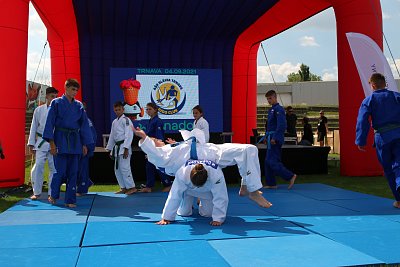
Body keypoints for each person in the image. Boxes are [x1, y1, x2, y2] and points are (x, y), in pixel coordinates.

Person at [134, 127, 272, 208]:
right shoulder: (161, 155)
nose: (160, 140)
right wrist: (144, 137)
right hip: (210, 156)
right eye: (156, 140)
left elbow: (181, 152)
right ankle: (252, 190)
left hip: (210, 148)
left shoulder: (169, 150)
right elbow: (151, 151)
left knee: (250, 149)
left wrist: (179, 143)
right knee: (249, 149)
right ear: (153, 146)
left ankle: (245, 185)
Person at [43, 79, 93, 208]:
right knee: (59, 171)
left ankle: (70, 199)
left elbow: (84, 126)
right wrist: (52, 143)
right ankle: (53, 194)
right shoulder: (56, 103)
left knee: (73, 172)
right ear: (66, 88)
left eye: (76, 90)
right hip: (60, 138)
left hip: (75, 140)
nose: (74, 92)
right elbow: (50, 123)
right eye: (72, 89)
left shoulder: (79, 105)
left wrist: (84, 144)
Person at [356, 72, 400, 209]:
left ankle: (399, 200)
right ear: (385, 84)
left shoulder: (368, 100)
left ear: (373, 85)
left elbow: (362, 121)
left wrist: (361, 140)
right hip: (399, 134)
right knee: (399, 165)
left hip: (382, 137)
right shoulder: (397, 96)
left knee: (388, 169)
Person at [157, 162, 228, 226]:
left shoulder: (216, 174)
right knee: (184, 213)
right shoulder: (183, 172)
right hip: (188, 190)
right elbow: (174, 195)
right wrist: (166, 217)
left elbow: (221, 196)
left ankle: (200, 199)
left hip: (206, 192)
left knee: (208, 214)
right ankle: (186, 199)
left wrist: (218, 219)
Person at [27, 87, 59, 200]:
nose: (54, 99)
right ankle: (37, 192)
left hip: (54, 143)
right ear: (46, 96)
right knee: (39, 165)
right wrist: (31, 143)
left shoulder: (58, 110)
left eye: (56, 97)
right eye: (52, 96)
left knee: (54, 168)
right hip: (41, 142)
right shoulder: (39, 110)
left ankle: (52, 192)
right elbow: (34, 127)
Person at [263, 90, 297, 189]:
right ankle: (271, 183)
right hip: (270, 137)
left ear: (275, 97)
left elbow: (282, 125)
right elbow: (269, 126)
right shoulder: (272, 110)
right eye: (267, 99)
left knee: (272, 161)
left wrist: (275, 137)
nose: (269, 100)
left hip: (275, 138)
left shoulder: (279, 109)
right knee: (267, 161)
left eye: (270, 98)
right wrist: (266, 137)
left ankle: (290, 176)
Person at [106, 101, 137, 195]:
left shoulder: (126, 120)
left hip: (124, 146)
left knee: (125, 168)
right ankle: (123, 187)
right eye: (116, 110)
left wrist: (126, 148)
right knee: (117, 169)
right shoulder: (114, 122)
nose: (117, 111)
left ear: (123, 109)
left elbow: (129, 134)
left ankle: (131, 187)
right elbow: (112, 136)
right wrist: (110, 149)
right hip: (117, 148)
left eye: (119, 109)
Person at [141, 102, 172, 193]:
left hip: (157, 146)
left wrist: (156, 148)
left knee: (159, 166)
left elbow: (159, 138)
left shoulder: (157, 121)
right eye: (147, 109)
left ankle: (168, 184)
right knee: (149, 166)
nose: (148, 111)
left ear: (155, 110)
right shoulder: (150, 121)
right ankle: (149, 186)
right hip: (151, 147)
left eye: (150, 109)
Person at [76, 103, 97, 196]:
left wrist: (87, 147)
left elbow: (91, 135)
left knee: (82, 169)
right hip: (78, 147)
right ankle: (86, 182)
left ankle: (82, 189)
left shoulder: (86, 120)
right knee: (77, 168)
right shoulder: (79, 119)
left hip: (85, 147)